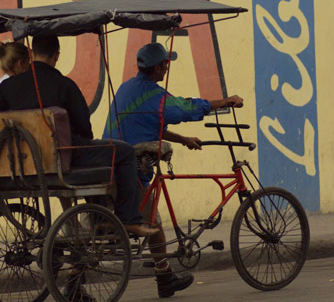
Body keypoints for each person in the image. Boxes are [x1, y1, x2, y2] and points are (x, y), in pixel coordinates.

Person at [0, 35, 159, 238]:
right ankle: (128, 219)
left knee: (97, 157)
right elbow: (84, 129)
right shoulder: (64, 85)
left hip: (23, 166)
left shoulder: (10, 86)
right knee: (123, 152)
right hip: (63, 159)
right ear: (56, 55)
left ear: (32, 54)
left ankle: (101, 220)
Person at [102, 42, 244, 298]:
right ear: (158, 67)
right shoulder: (155, 96)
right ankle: (164, 277)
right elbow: (186, 108)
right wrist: (225, 101)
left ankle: (165, 273)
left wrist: (183, 140)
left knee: (151, 216)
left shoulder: (127, 89)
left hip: (111, 160)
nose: (166, 68)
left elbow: (150, 121)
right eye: (165, 64)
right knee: (153, 221)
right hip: (129, 167)